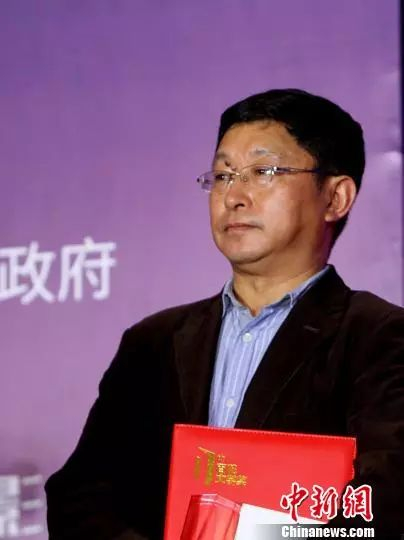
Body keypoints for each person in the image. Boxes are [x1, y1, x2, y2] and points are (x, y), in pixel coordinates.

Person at [45, 89, 404, 540]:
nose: (234, 195)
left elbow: (384, 504)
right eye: (222, 175)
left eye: (263, 172)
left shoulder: (381, 338)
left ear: (335, 197)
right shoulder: (153, 341)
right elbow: (80, 495)